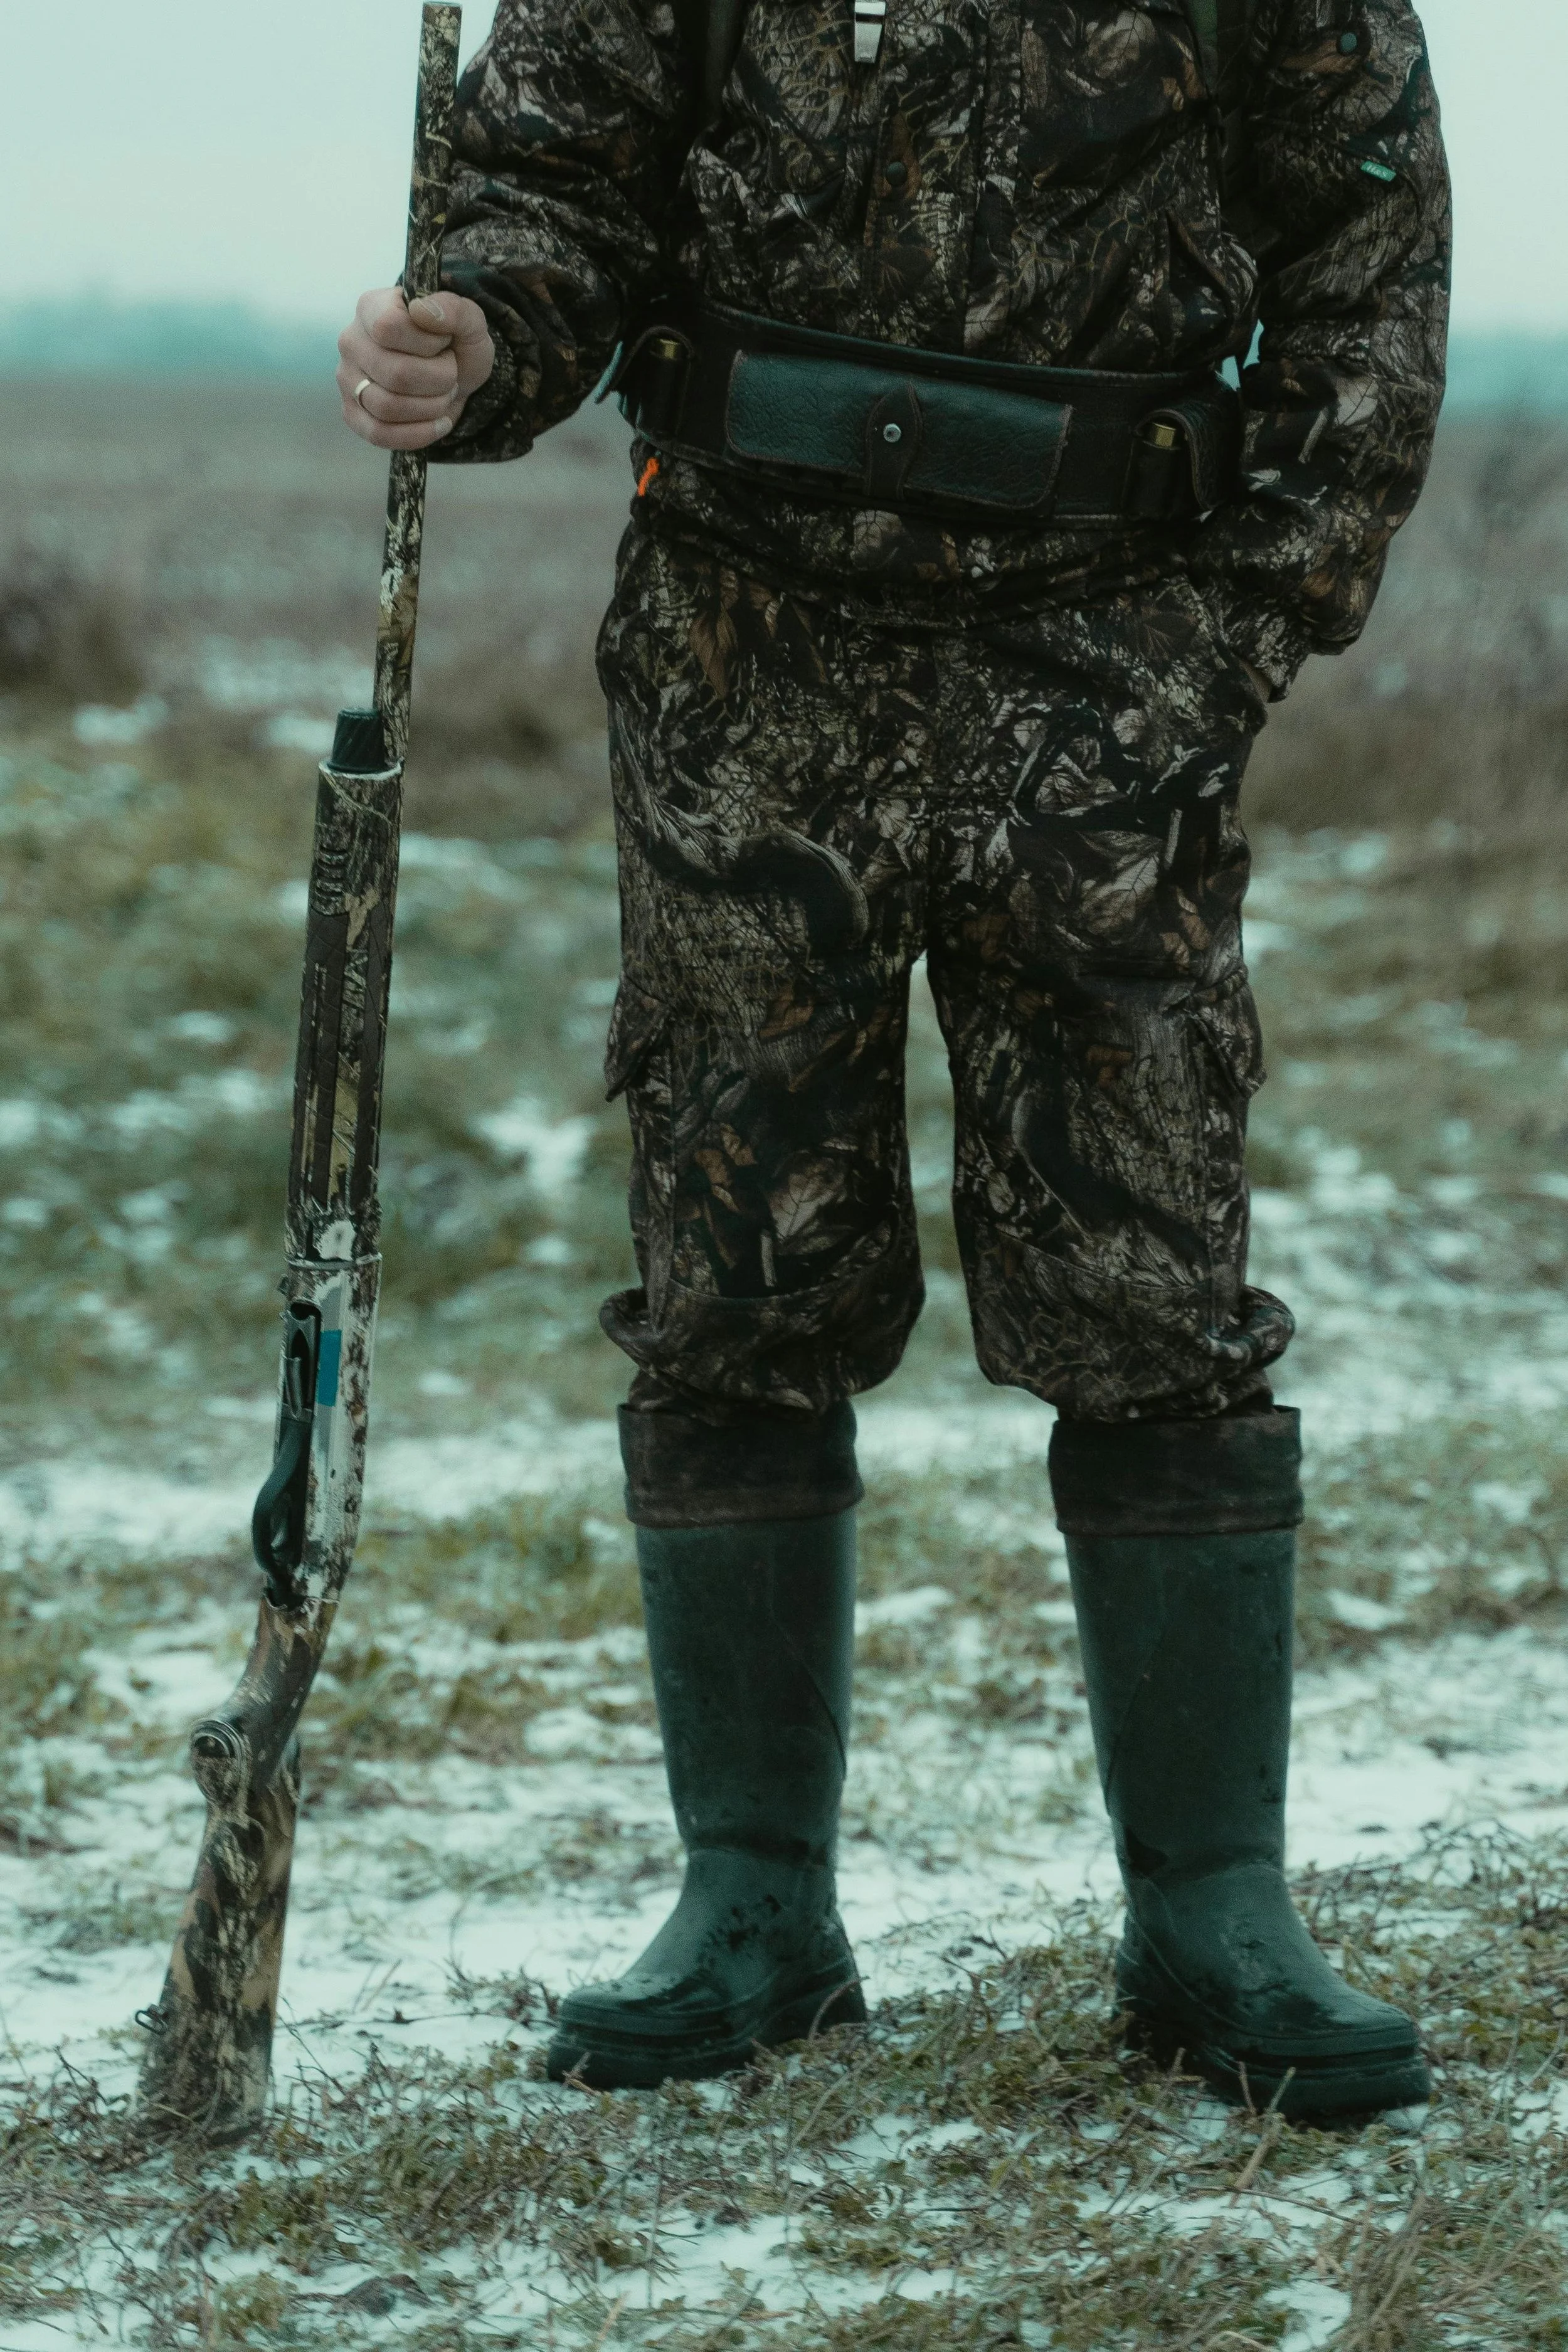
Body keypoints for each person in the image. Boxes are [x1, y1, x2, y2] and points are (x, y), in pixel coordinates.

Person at [337, 0, 1449, 2115]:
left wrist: (1242, 618)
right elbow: (553, 187)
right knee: (735, 1270)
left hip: (1111, 650)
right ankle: (753, 1906)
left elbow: (1369, 238)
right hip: (748, 645)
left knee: (1150, 1276)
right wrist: (469, 338)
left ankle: (1213, 1914)